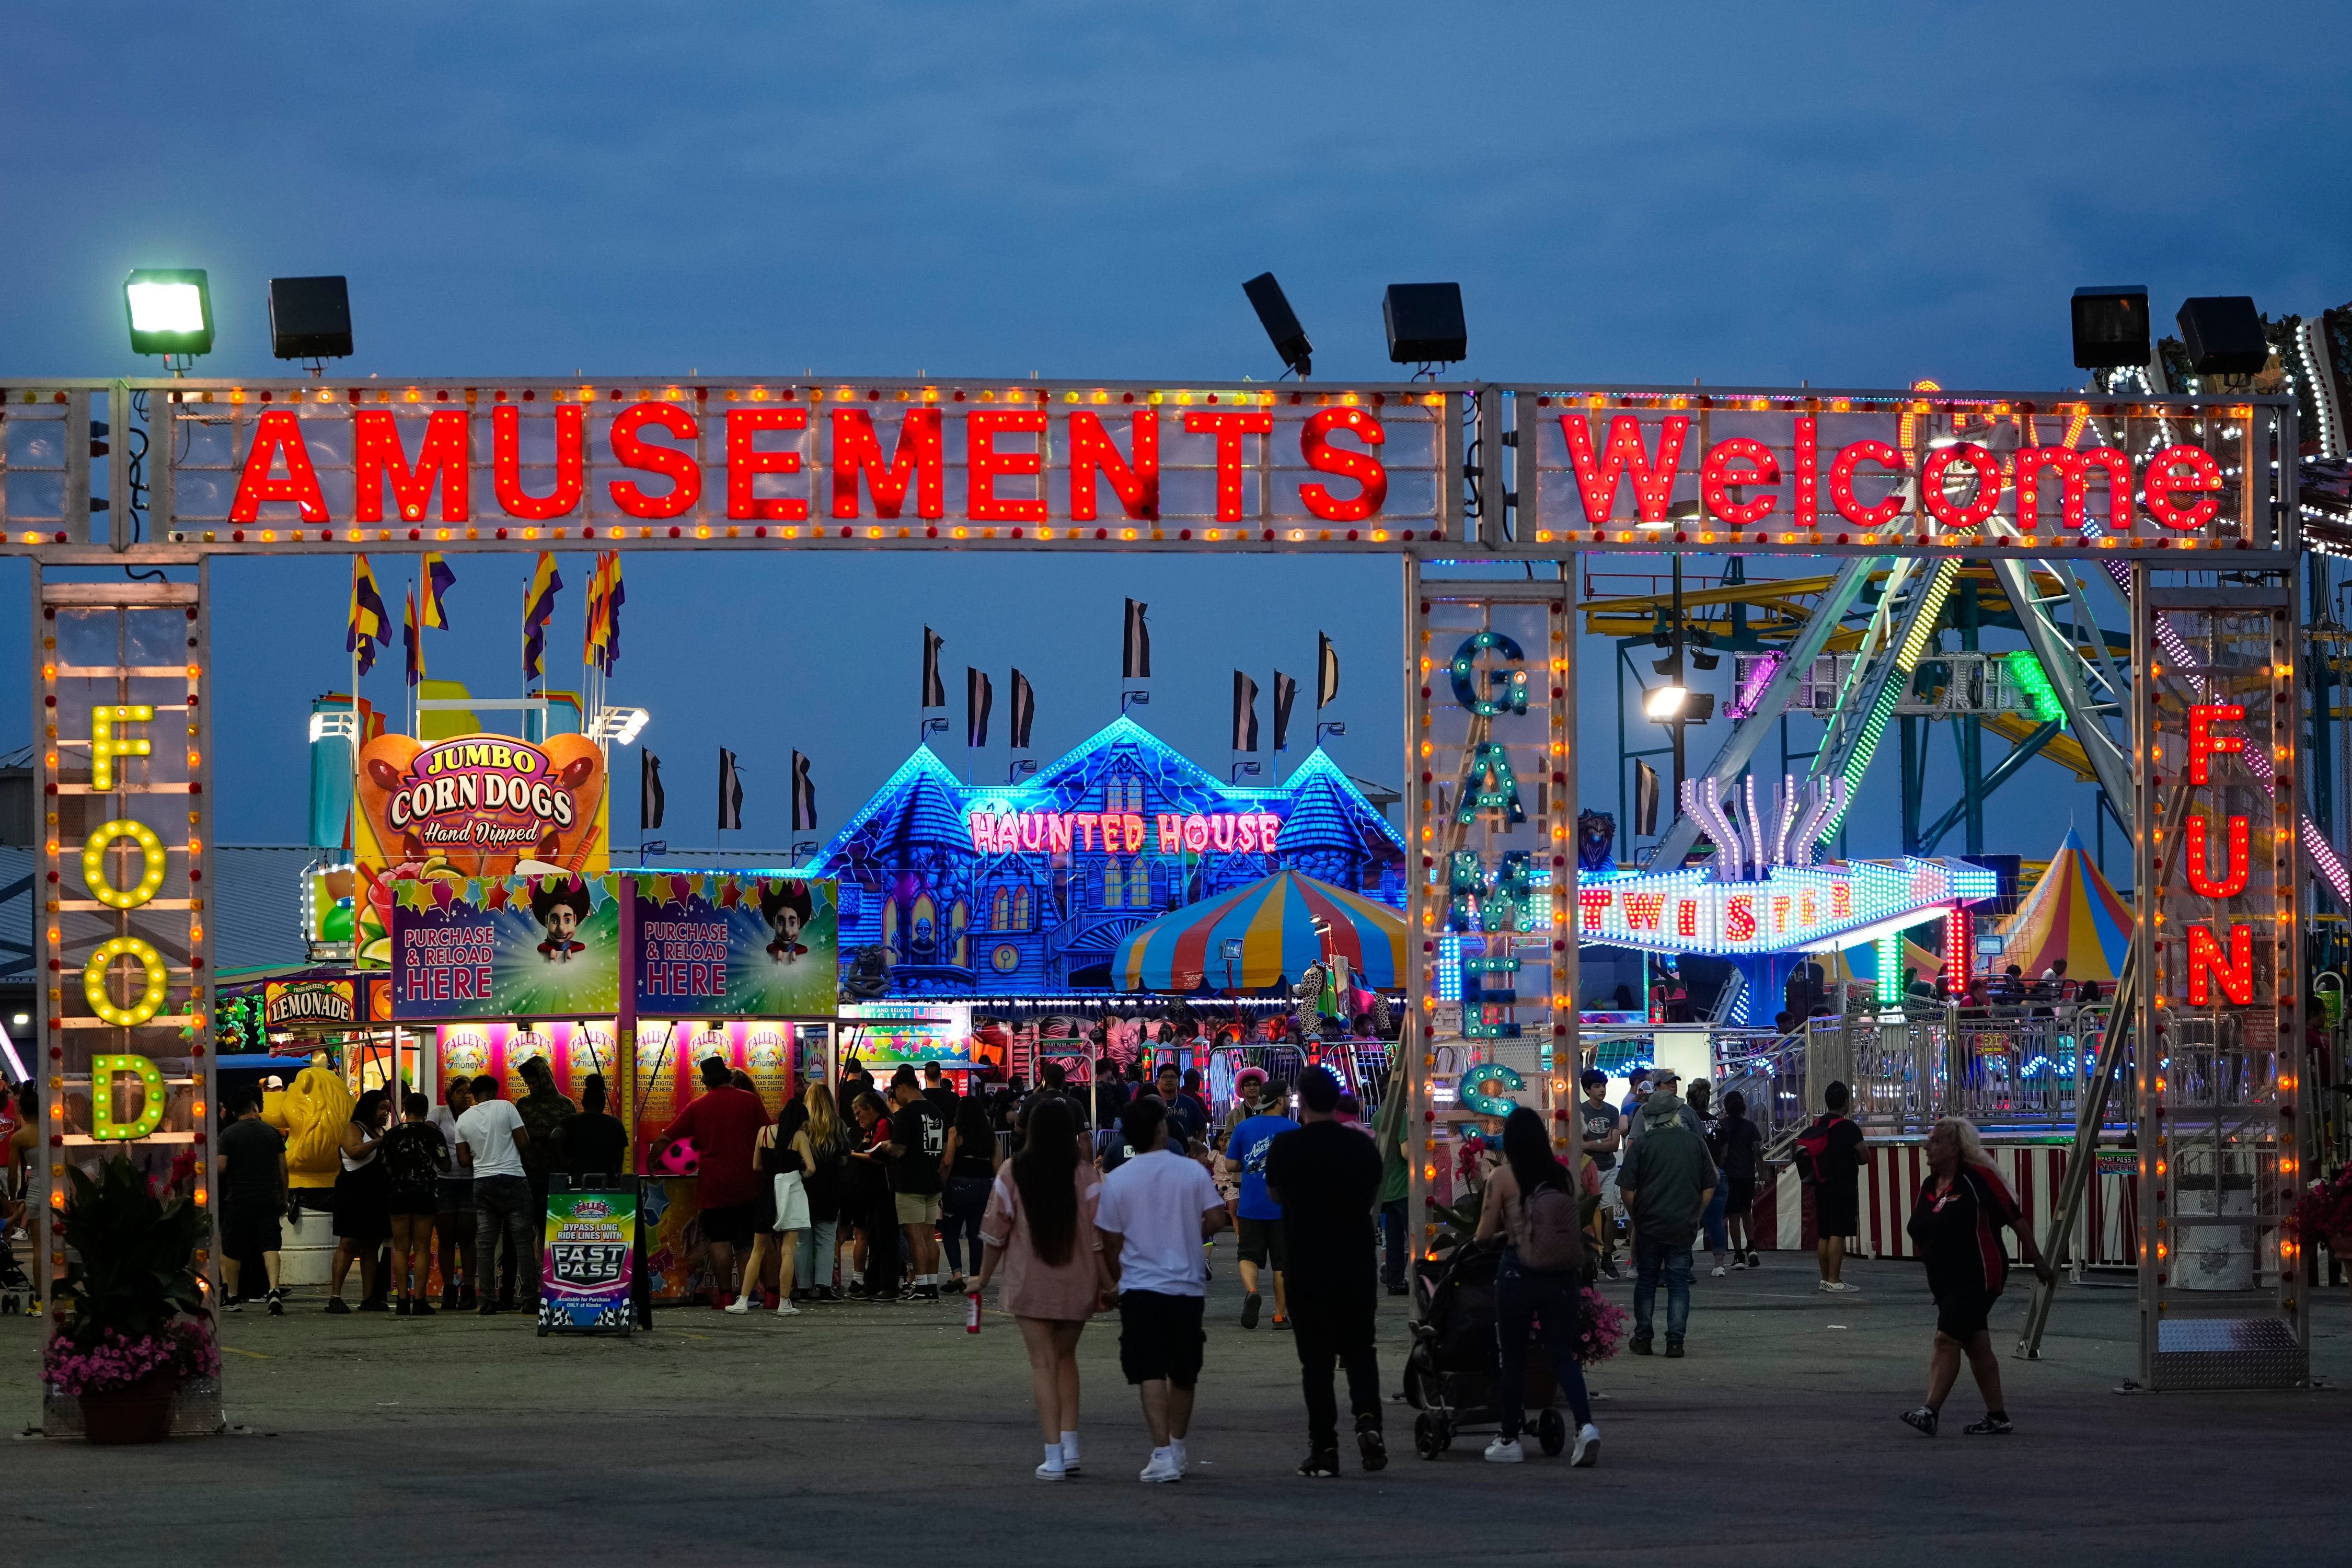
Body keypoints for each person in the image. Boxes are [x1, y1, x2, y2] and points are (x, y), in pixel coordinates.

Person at [1095, 1096, 1230, 1483]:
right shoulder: (1189, 1172)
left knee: (1149, 1369)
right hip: (1186, 1286)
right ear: (1161, 1129)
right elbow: (1217, 1218)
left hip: (1139, 1287)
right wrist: (1190, 1228)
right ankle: (1178, 1445)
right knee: (1184, 1371)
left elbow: (1108, 1239)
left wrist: (1115, 1281)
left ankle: (1162, 1452)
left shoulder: (1118, 1179)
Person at [974, 1096, 1110, 1482]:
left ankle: (1052, 1455)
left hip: (1029, 1283)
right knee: (1066, 1359)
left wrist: (982, 1278)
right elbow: (1101, 1234)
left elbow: (994, 1234)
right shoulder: (1085, 1174)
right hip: (1078, 1280)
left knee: (1043, 1363)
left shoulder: (1012, 1172)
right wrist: (1107, 1281)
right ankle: (1070, 1448)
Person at [1263, 1066, 1387, 1478]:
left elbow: (1275, 1193)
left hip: (1306, 1263)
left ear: (1300, 1100)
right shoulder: (1361, 1146)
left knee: (1315, 1361)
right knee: (1360, 1350)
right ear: (1337, 1100)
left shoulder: (1285, 1146)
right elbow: (1372, 1194)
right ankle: (1369, 1423)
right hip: (1354, 1261)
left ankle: (1325, 1447)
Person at [1901, 1117, 2050, 1437]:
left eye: (1935, 1142)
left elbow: (2016, 1219)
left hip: (1980, 1274)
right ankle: (1998, 1417)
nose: (1927, 1147)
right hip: (1946, 1282)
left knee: (1946, 1339)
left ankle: (1930, 1411)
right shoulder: (1930, 1186)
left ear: (1955, 1148)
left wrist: (2038, 1260)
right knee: (1976, 1345)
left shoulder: (1978, 1178)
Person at [1473, 1105, 1600, 1468]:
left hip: (1519, 1272)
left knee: (1513, 1358)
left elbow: (1482, 1236)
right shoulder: (1562, 1177)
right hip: (1562, 1275)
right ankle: (1587, 1427)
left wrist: (1500, 1233)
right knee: (1562, 1354)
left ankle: (1510, 1438)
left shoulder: (1502, 1177)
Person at [652, 1056, 771, 1308]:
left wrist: (654, 1162)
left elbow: (665, 1139)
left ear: (706, 1083)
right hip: (749, 1182)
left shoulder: (698, 1107)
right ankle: (750, 1296)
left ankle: (725, 1296)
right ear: (729, 1077)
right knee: (746, 1242)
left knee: (720, 1242)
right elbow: (768, 1135)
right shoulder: (751, 1101)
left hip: (714, 1186)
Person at [1616, 1080, 1717, 1357]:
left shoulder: (1641, 1145)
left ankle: (1643, 1338)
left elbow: (1626, 1189)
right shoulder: (1695, 1143)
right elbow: (1711, 1183)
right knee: (1678, 1283)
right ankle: (1675, 1342)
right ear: (1675, 1116)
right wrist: (1697, 1212)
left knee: (1647, 1281)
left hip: (1649, 1224)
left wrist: (1638, 1213)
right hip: (1683, 1223)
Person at [455, 1079, 538, 1315]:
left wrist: (483, 1158)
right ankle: (532, 1299)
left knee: (486, 1244)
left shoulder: (464, 1120)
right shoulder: (506, 1107)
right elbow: (523, 1142)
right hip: (513, 1178)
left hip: (482, 1183)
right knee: (523, 1243)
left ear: (474, 1094)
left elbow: (463, 1161)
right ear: (494, 1090)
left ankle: (488, 1301)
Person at [1220, 1078, 1298, 1330]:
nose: (1290, 1100)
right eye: (1288, 1096)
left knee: (1247, 1255)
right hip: (1282, 1209)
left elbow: (1230, 1165)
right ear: (1278, 1100)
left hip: (1251, 1205)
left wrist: (1252, 1164)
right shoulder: (1294, 1129)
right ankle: (1279, 1316)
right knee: (1282, 1263)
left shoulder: (1244, 1128)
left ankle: (1252, 1291)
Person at [216, 1090, 289, 1315]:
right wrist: (283, 1197)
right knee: (270, 1245)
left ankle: (233, 1297)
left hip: (238, 1198)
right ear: (255, 1109)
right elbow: (283, 1169)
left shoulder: (228, 1135)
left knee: (232, 1249)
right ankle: (274, 1291)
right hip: (268, 1197)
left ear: (235, 1112)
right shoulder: (272, 1133)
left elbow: (221, 1167)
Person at [381, 1091, 449, 1317]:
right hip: (425, 1193)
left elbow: (386, 1166)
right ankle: (419, 1300)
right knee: (421, 1248)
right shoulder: (433, 1134)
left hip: (398, 1193)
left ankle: (402, 1301)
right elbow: (445, 1163)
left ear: (406, 1109)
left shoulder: (392, 1135)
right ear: (426, 1110)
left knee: (400, 1248)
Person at [883, 1068, 949, 1300]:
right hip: (932, 1181)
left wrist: (885, 1147)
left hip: (910, 1183)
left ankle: (920, 1285)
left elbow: (899, 1150)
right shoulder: (937, 1113)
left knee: (915, 1236)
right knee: (929, 1235)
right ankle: (931, 1285)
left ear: (901, 1088)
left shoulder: (906, 1114)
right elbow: (941, 1150)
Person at [326, 1088, 394, 1313]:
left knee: (372, 1245)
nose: (386, 1113)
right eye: (382, 1108)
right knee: (349, 1243)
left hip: (375, 1194)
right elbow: (355, 1152)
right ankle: (335, 1296)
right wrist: (382, 1140)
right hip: (353, 1192)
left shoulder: (378, 1131)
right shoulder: (353, 1128)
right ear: (370, 1108)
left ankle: (368, 1297)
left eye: (387, 1109)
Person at [1798, 1080, 1866, 1293]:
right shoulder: (1849, 1127)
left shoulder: (1818, 1125)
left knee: (1824, 1234)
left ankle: (1825, 1279)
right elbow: (1865, 1157)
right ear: (1846, 1102)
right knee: (1838, 1233)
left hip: (1821, 1185)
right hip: (1842, 1185)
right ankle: (1835, 1280)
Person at [847, 1089, 903, 1299]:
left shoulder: (884, 1124)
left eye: (858, 1112)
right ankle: (873, 1283)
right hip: (872, 1191)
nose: (857, 1118)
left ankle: (889, 1285)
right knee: (874, 1237)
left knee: (886, 1237)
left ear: (870, 1109)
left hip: (885, 1190)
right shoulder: (873, 1127)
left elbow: (880, 1156)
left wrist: (852, 1154)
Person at [794, 1081, 848, 1301]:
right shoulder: (838, 1125)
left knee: (802, 1241)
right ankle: (825, 1288)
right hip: (830, 1188)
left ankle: (804, 1289)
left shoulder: (801, 1126)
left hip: (804, 1188)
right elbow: (844, 1158)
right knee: (826, 1240)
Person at [941, 1094, 998, 1293]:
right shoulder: (990, 1136)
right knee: (976, 1234)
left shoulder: (955, 1133)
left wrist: (942, 1186)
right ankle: (975, 1278)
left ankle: (957, 1274)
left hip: (958, 1186)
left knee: (950, 1231)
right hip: (984, 1188)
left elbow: (948, 1162)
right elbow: (997, 1168)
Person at [430, 1077, 478, 1310]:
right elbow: (428, 1134)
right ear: (451, 1095)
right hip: (444, 1181)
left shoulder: (478, 1115)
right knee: (447, 1237)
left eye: (469, 1093)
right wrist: (440, 1157)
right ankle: (449, 1288)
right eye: (460, 1092)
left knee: (468, 1236)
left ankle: (469, 1288)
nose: (465, 1096)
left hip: (471, 1181)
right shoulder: (439, 1113)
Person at [514, 1057, 578, 1233]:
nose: (531, 1087)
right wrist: (548, 1134)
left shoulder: (565, 1105)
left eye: (534, 1083)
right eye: (528, 1084)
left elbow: (571, 1139)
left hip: (557, 1174)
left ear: (544, 1080)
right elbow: (519, 1135)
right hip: (529, 1174)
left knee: (558, 1227)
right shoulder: (523, 1104)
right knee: (527, 1227)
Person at [1577, 1070, 1625, 1278]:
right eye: (1597, 1086)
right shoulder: (1580, 1111)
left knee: (1612, 1212)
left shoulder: (1613, 1111)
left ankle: (1607, 1253)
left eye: (1603, 1085)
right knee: (1590, 1216)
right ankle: (1592, 1257)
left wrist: (1591, 1144)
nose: (1602, 1089)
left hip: (1609, 1168)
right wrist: (1601, 1141)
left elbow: (1615, 1145)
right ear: (1587, 1090)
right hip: (1587, 1169)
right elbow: (1579, 1146)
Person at [1371, 1063, 1412, 1296]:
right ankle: (1423, 1277)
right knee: (1416, 1236)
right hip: (1404, 1185)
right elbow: (1406, 1152)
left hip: (1387, 1186)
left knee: (1394, 1238)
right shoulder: (1401, 1116)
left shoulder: (1377, 1116)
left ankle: (1395, 1281)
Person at [1714, 1090, 1763, 1269]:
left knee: (1733, 1216)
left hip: (1729, 1176)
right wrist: (1762, 1177)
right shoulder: (1750, 1126)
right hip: (1748, 1175)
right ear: (1743, 1106)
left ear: (1725, 1108)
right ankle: (1752, 1247)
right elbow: (1757, 1153)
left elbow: (1720, 1152)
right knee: (1747, 1212)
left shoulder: (1721, 1126)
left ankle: (1738, 1255)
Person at [1688, 1079, 1731, 1277]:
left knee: (1688, 1220)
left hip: (1693, 1175)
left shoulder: (1687, 1124)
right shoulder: (1719, 1125)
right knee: (1716, 1221)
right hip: (1717, 1174)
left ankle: (1685, 1258)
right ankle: (1719, 1265)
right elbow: (1724, 1154)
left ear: (1689, 1099)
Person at [557, 1074, 629, 1184]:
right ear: (604, 1103)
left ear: (583, 1103)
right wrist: (617, 1173)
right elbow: (619, 1156)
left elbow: (554, 1138)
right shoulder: (615, 1123)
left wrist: (565, 1163)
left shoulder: (571, 1120)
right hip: (606, 1179)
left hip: (577, 1179)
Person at [921, 1061, 960, 1125]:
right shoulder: (954, 1097)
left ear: (925, 1076)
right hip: (949, 1134)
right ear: (941, 1075)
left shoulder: (920, 1096)